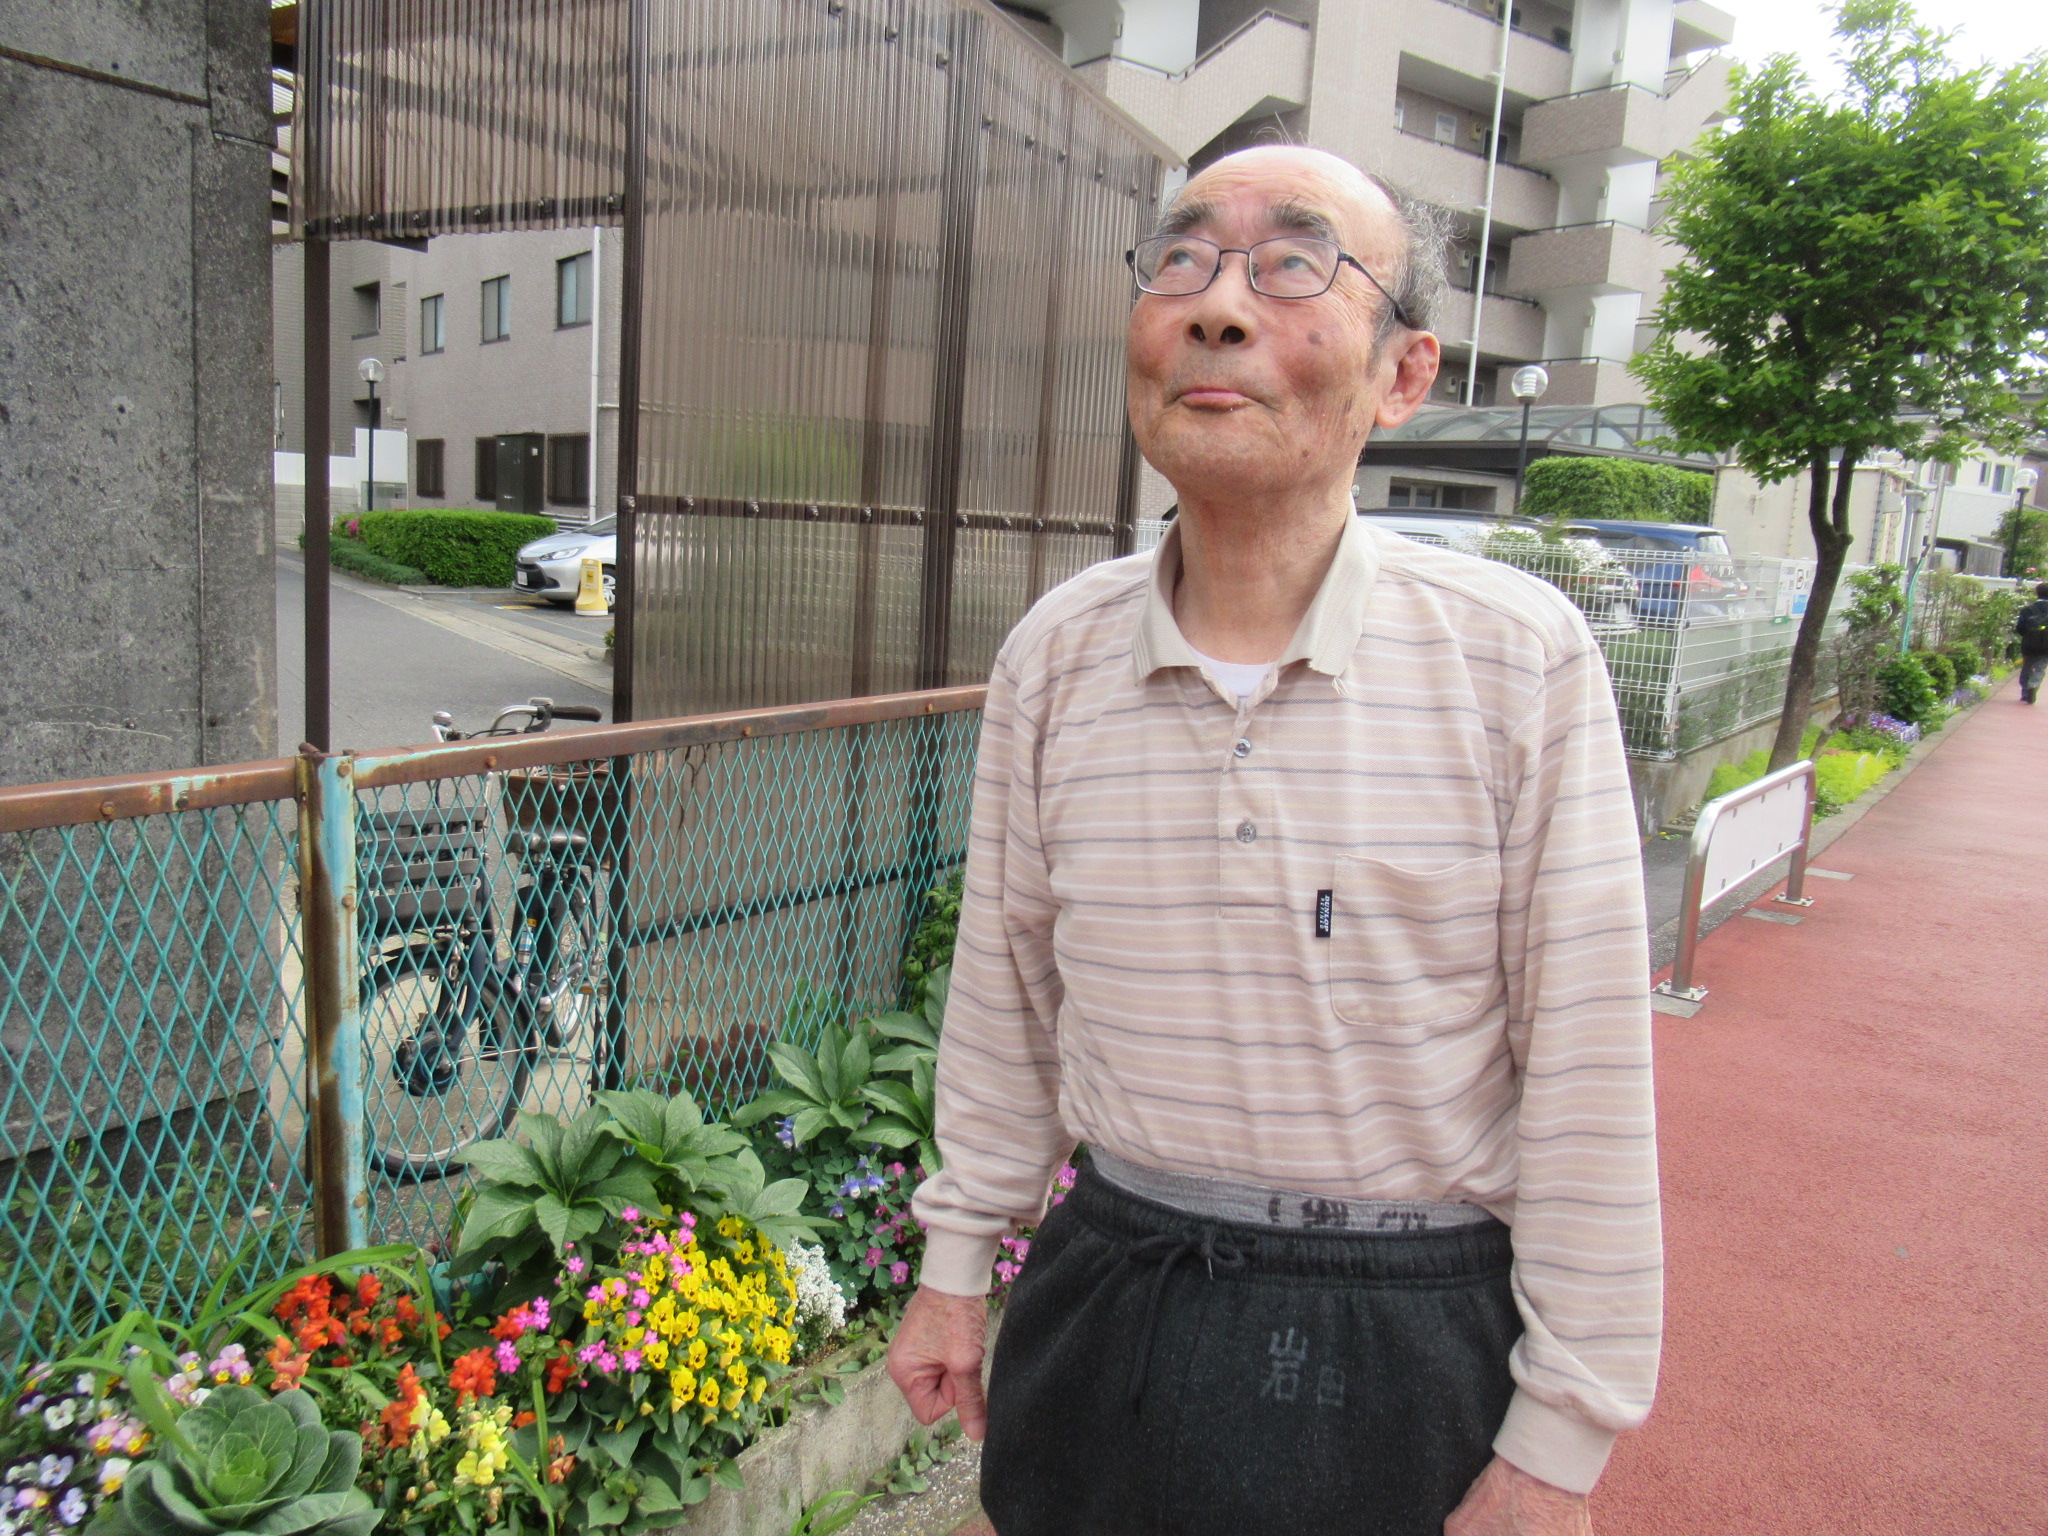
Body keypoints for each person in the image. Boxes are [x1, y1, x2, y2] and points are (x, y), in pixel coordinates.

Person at [886, 145, 1659, 1536]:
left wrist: (1560, 1441)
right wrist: (954, 1265)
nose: (1218, 306)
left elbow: (1589, 1068)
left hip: (1403, 1330)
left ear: (1403, 374)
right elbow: (1003, 995)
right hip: (1107, 1286)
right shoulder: (1056, 655)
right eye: (1182, 259)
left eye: (1293, 265)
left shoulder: (1513, 658)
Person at [2016, 581, 2048, 703]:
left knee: (2027, 666)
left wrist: (2028, 635)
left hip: (2029, 643)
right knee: (2040, 667)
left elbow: (2020, 627)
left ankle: (2025, 690)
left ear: (2037, 593)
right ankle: (2033, 685)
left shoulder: (2028, 610)